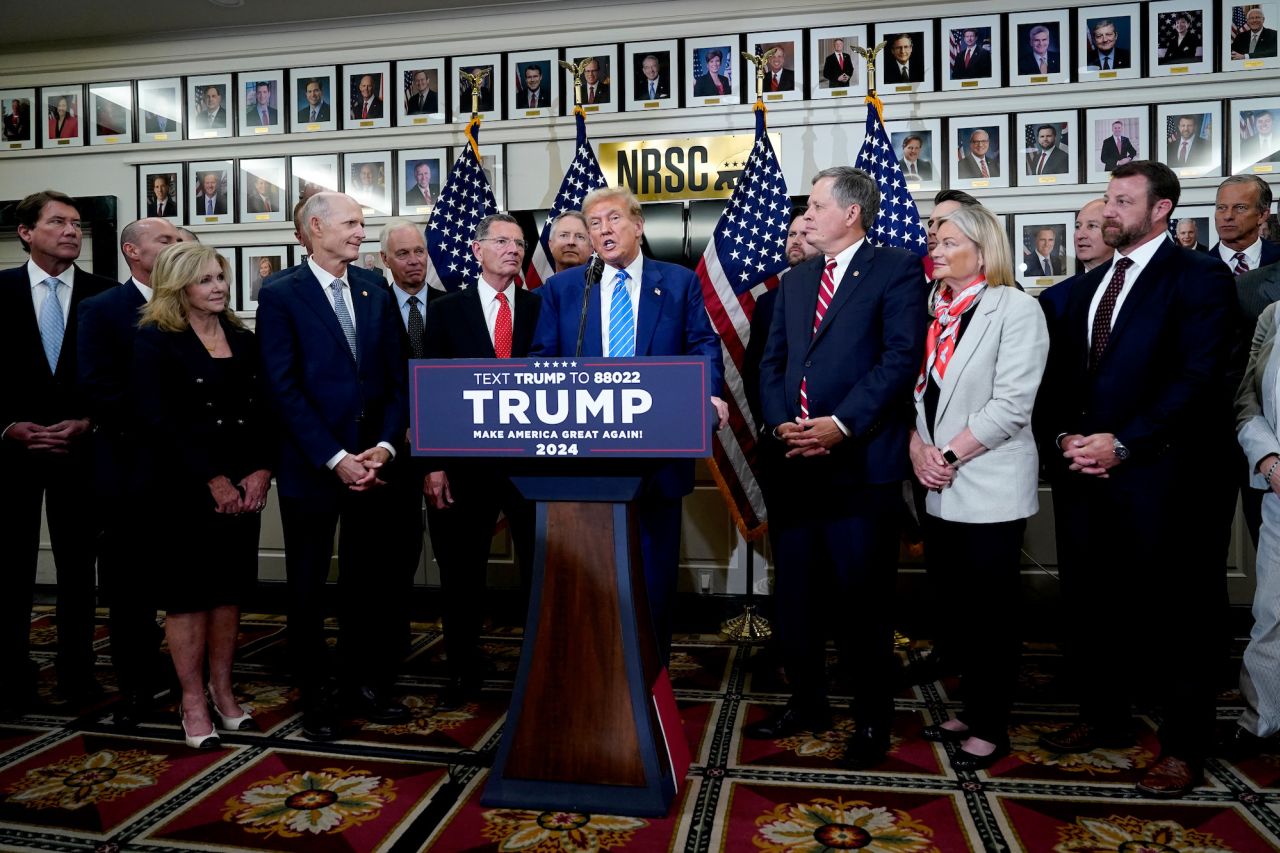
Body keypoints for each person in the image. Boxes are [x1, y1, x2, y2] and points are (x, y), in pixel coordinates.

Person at [1033, 160, 1236, 798]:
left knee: (1181, 618)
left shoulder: (1197, 277)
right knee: (1093, 605)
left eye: (1122, 201)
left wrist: (1125, 443)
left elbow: (1200, 379)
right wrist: (1065, 435)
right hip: (1086, 478)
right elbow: (1062, 379)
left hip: (1166, 480)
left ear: (1161, 210)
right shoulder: (1087, 286)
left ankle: (1183, 746)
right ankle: (1104, 717)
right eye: (1107, 199)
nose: (1109, 210)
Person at [745, 167, 925, 771]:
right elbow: (771, 365)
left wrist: (841, 425)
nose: (808, 215)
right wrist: (780, 426)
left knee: (862, 603)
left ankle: (872, 718)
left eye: (817, 205)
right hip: (795, 464)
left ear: (850, 213)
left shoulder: (896, 270)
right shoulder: (796, 281)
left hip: (859, 467)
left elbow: (899, 359)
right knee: (797, 598)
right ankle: (808, 703)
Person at [531, 186, 726, 665]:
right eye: (593, 224)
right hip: (585, 465)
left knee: (651, 574)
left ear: (638, 226)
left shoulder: (677, 282)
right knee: (591, 575)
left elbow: (703, 345)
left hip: (657, 460)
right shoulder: (563, 289)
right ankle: (594, 669)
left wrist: (709, 395)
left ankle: (651, 673)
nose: (603, 231)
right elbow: (541, 360)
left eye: (613, 219)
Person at [255, 192, 410, 740]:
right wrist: (337, 457)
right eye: (351, 223)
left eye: (362, 223)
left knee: (368, 584)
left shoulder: (374, 288)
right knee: (308, 587)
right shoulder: (279, 294)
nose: (360, 232)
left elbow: (398, 377)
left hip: (375, 467)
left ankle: (362, 684)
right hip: (313, 469)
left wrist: (386, 446)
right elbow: (282, 388)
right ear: (315, 227)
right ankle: (315, 696)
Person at [911, 204, 1049, 771]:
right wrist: (918, 450)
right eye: (933, 241)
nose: (935, 250)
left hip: (987, 482)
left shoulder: (1016, 308)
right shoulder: (933, 309)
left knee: (992, 615)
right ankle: (970, 707)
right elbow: (917, 396)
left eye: (946, 241)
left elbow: (1012, 406)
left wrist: (945, 454)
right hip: (936, 483)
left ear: (983, 249)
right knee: (958, 610)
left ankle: (992, 726)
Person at [131, 243, 272, 749]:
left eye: (221, 277)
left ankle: (224, 692)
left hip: (243, 486)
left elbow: (264, 411)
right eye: (206, 279)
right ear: (178, 286)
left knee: (228, 594)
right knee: (189, 598)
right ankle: (193, 701)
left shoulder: (243, 338)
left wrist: (260, 470)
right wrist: (212, 478)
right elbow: (157, 421)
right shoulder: (154, 340)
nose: (218, 287)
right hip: (182, 489)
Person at [0, 191, 116, 717]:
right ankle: (9, 677)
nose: (72, 231)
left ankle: (77, 672)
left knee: (77, 569)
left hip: (81, 452)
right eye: (58, 222)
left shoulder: (105, 295)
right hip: (10, 456)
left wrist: (89, 421)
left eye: (76, 223)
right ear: (26, 232)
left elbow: (120, 380)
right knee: (9, 569)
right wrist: (7, 428)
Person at [423, 214, 541, 708]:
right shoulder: (447, 310)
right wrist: (432, 464)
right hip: (464, 466)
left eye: (519, 244)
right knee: (461, 572)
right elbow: (429, 388)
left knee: (540, 570)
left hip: (531, 467)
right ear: (476, 249)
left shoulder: (540, 307)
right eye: (502, 242)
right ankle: (461, 669)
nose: (513, 250)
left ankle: (539, 668)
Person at [77, 217, 179, 728]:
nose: (178, 245)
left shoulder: (195, 306)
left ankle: (183, 674)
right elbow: (100, 390)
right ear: (131, 252)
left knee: (185, 585)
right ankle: (136, 685)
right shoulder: (100, 311)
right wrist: (166, 429)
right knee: (130, 589)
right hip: (130, 472)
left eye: (182, 239)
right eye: (166, 239)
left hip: (188, 476)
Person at [377, 220, 444, 676]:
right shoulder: (372, 308)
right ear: (385, 260)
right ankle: (390, 649)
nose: (415, 260)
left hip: (446, 449)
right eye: (403, 253)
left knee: (453, 550)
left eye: (419, 251)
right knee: (395, 554)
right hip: (392, 449)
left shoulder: (451, 308)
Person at [1234, 297, 1280, 760]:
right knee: (1272, 613)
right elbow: (1246, 397)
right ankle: (1262, 720)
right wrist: (1267, 459)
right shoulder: (1274, 314)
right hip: (1278, 489)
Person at [1213, 175, 1280, 275]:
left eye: (1240, 207)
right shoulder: (1193, 268)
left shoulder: (1277, 259)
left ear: (1262, 215)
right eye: (1221, 208)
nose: (1227, 216)